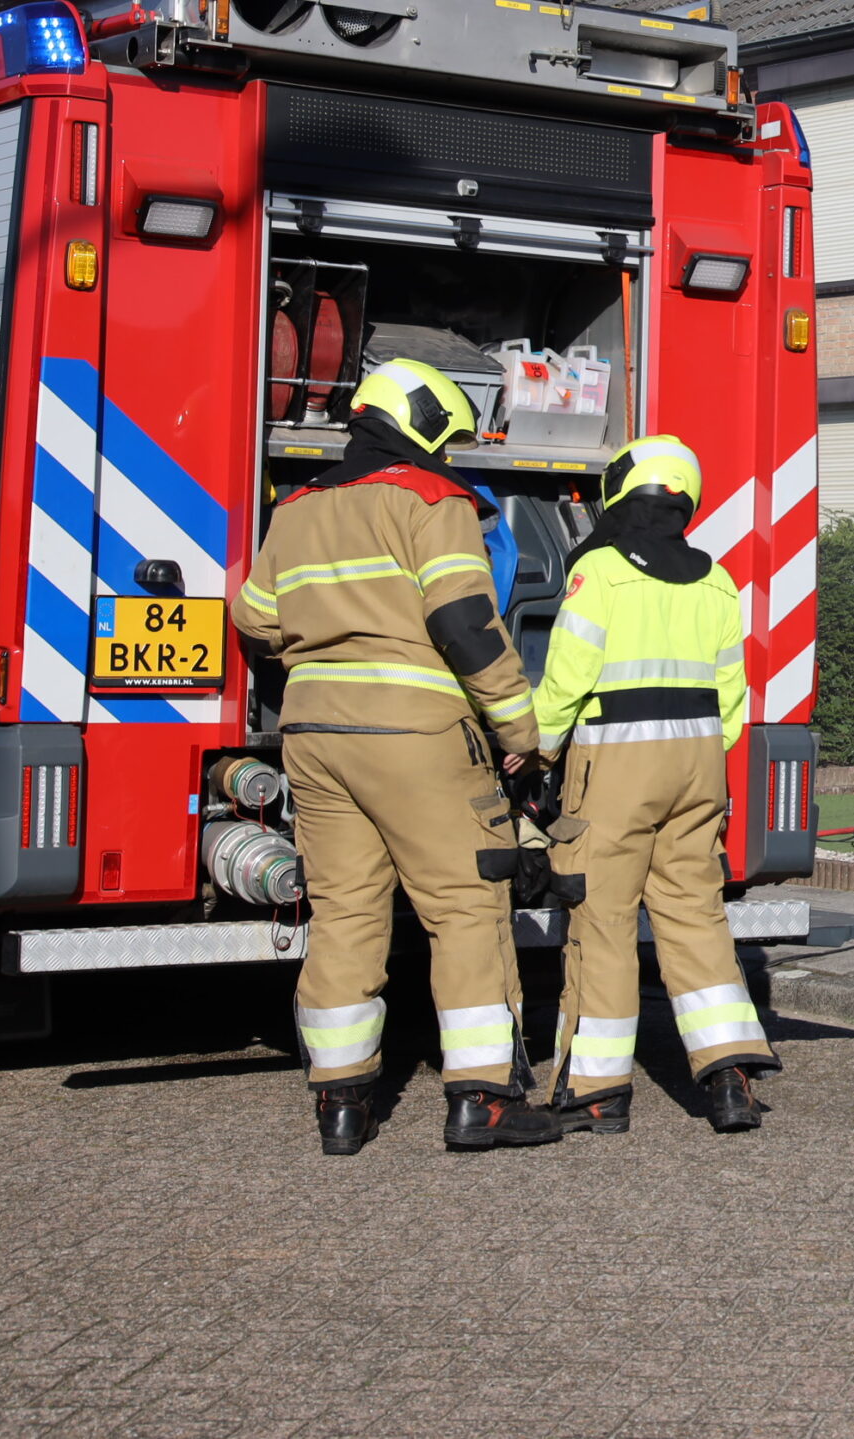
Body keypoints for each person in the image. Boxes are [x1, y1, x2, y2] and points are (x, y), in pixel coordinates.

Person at [231, 359, 558, 1156]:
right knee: (465, 905)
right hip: (415, 735)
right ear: (424, 428)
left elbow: (255, 618)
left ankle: (340, 1105)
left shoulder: (297, 508)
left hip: (314, 736)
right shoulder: (431, 499)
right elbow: (466, 624)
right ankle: (482, 1100)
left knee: (344, 914)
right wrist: (523, 735)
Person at [533, 435, 777, 1135]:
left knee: (602, 918)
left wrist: (538, 750)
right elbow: (733, 700)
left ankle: (598, 1091)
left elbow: (567, 681)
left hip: (615, 768)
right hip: (698, 767)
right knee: (695, 916)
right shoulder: (717, 578)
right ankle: (731, 1077)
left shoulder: (600, 571)